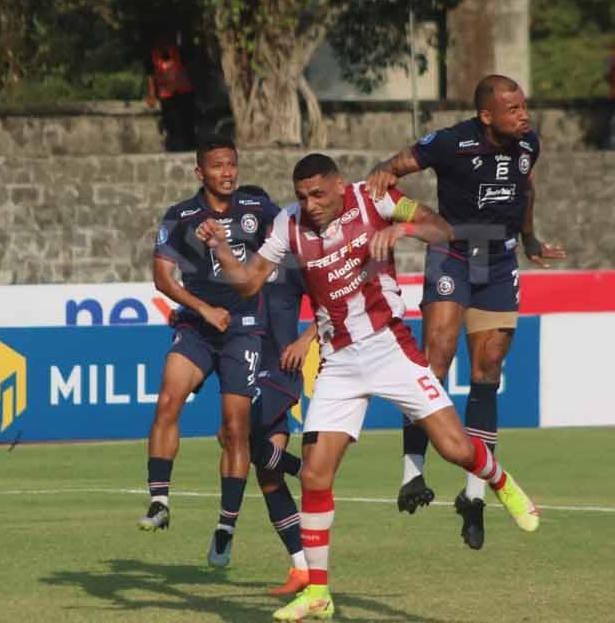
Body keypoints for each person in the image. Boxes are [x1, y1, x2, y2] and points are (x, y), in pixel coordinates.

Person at [200, 154, 540, 621]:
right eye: (302, 196)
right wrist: (221, 247)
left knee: (455, 447)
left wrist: (401, 230)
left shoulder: (375, 197)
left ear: (340, 185)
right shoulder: (288, 224)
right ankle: (318, 592)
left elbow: (442, 229)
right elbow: (248, 283)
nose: (310, 204)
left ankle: (501, 481)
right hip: (339, 360)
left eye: (318, 194)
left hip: (388, 347)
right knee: (317, 475)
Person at [368, 74, 566, 552]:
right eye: (514, 109)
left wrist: (530, 240)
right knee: (435, 359)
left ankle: (474, 494)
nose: (524, 115)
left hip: (498, 260)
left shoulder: (527, 146)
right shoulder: (450, 142)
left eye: (524, 106)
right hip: (454, 251)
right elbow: (386, 176)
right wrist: (417, 219)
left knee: (488, 370)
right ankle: (412, 473)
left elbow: (527, 193)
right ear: (487, 116)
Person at [141, 138, 280, 571]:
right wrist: (202, 309)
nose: (227, 172)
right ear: (200, 173)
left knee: (234, 430)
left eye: (232, 165)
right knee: (168, 399)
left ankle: (226, 527)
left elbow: (290, 242)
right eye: (218, 165)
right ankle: (159, 501)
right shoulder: (182, 217)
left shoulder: (258, 211)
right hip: (198, 327)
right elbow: (163, 278)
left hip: (244, 332)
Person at [234, 185, 317, 596]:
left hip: (279, 374)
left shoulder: (290, 262)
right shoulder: (234, 268)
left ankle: (308, 471)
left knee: (235, 435)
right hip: (247, 373)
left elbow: (332, 305)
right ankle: (301, 569)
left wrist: (305, 341)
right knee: (268, 474)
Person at [146, 32, 199, 152]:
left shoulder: (179, 51)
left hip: (184, 92)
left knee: (187, 121)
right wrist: (152, 95)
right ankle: (175, 146)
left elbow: (189, 69)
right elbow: (151, 76)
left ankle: (190, 145)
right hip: (166, 94)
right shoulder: (153, 55)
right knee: (171, 123)